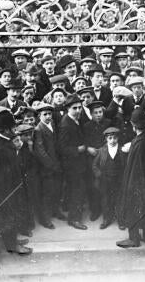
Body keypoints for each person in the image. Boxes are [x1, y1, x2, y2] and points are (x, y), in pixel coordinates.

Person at [0, 110, 32, 254]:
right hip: (5, 190)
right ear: (6, 130)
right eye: (13, 128)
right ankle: (12, 245)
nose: (15, 130)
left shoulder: (4, 142)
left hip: (11, 187)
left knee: (13, 215)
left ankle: (13, 240)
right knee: (8, 217)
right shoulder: (0, 147)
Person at [116, 109, 145, 248]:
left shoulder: (138, 142)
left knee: (132, 207)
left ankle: (133, 239)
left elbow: (134, 166)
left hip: (135, 182)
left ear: (132, 125)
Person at [58, 93, 88, 230]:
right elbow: (62, 148)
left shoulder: (77, 119)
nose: (78, 110)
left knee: (77, 190)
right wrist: (78, 149)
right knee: (76, 190)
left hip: (78, 164)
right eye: (74, 108)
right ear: (67, 109)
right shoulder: (65, 124)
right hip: (71, 165)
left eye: (79, 107)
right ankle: (74, 219)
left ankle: (75, 214)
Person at [92, 126, 126, 229]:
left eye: (115, 138)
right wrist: (99, 174)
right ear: (106, 139)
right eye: (110, 138)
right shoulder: (102, 150)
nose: (112, 140)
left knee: (119, 199)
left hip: (118, 179)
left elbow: (126, 165)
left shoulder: (122, 150)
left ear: (118, 138)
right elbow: (94, 165)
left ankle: (121, 220)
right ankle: (107, 219)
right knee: (106, 199)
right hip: (105, 180)